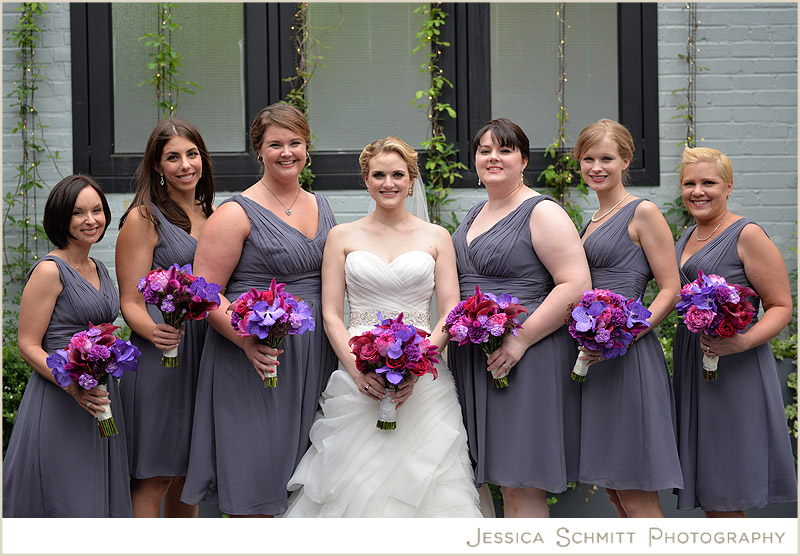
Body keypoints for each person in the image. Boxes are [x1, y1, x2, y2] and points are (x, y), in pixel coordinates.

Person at [283, 136, 482, 517]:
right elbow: (330, 314)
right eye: (378, 175)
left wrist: (420, 362)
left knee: (428, 482)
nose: (388, 183)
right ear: (366, 180)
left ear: (411, 180)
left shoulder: (437, 237)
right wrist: (359, 370)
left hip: (424, 378)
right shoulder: (342, 237)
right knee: (355, 482)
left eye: (397, 175)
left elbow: (450, 311)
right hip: (359, 372)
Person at [180, 103, 337, 517]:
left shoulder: (323, 206)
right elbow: (204, 292)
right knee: (257, 470)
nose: (286, 153)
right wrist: (247, 341)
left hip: (315, 356)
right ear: (259, 150)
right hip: (255, 358)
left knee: (306, 477)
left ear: (307, 147)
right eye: (275, 144)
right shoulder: (235, 213)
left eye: (295, 143)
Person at [449, 118, 591, 517]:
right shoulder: (476, 213)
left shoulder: (542, 211)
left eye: (505, 149)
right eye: (484, 150)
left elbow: (575, 284)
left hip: (526, 356)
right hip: (479, 357)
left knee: (520, 481)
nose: (493, 158)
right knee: (493, 479)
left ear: (523, 160)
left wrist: (520, 339)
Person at [673, 146, 797, 517]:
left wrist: (739, 341)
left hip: (736, 368)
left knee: (725, 490)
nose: (698, 191)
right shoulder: (686, 235)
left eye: (708, 182)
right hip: (695, 363)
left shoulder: (747, 234)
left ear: (728, 187)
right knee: (710, 491)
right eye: (689, 183)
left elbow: (781, 307)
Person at [571, 119, 683, 517]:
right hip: (597, 360)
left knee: (634, 486)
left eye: (606, 158)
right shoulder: (592, 220)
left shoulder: (643, 212)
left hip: (628, 357)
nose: (596, 167)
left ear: (626, 160)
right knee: (615, 488)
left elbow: (670, 288)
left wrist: (627, 334)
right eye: (588, 158)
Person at [3, 175, 132, 517]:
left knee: (96, 497)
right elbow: (27, 344)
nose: (91, 220)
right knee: (69, 498)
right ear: (61, 218)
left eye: (97, 210)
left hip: (100, 393)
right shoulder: (49, 270)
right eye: (79, 213)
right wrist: (73, 386)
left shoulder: (99, 267)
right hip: (61, 396)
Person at [116, 118, 215, 518]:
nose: (185, 164)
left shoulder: (215, 215)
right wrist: (154, 332)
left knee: (188, 476)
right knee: (153, 475)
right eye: (172, 157)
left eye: (192, 154)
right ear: (157, 166)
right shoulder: (145, 218)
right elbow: (129, 300)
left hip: (206, 354)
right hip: (161, 356)